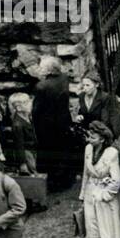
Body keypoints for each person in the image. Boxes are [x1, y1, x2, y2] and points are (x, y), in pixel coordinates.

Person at [79, 123, 120, 238]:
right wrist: (82, 193)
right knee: (95, 223)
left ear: (102, 139)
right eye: (89, 136)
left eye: (93, 137)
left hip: (106, 194)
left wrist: (105, 195)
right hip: (91, 191)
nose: (89, 140)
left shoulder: (112, 153)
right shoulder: (88, 149)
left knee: (110, 224)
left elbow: (116, 179)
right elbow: (85, 172)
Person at [32, 55, 77, 192]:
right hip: (63, 120)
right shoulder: (64, 79)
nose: (39, 69)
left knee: (50, 155)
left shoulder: (42, 86)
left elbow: (36, 111)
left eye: (41, 67)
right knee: (63, 151)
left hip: (47, 126)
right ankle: (67, 180)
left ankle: (54, 184)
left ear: (49, 70)